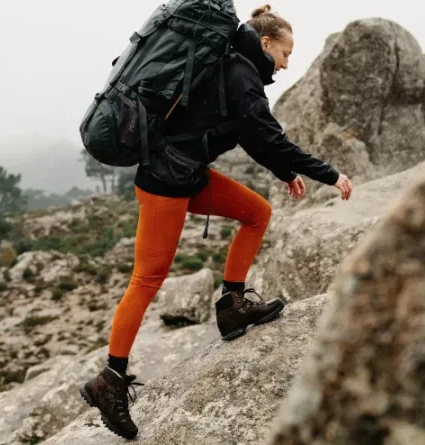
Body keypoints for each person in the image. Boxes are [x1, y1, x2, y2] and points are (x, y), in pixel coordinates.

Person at [79, 4, 353, 440]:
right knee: (147, 279)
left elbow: (257, 137)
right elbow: (268, 137)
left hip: (186, 173)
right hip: (165, 182)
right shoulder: (242, 78)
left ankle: (232, 306)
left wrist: (285, 172)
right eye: (285, 53)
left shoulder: (237, 68)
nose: (287, 63)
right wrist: (329, 174)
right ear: (266, 44)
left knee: (256, 213)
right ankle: (108, 380)